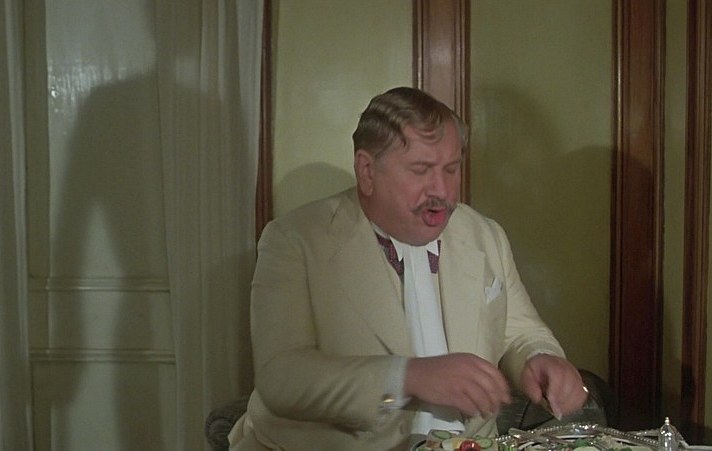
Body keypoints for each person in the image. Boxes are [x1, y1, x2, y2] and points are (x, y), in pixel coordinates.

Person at [228, 87, 587, 450]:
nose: (441, 190)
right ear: (367, 171)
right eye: (421, 170)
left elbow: (521, 332)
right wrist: (407, 377)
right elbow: (282, 378)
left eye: (451, 169)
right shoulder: (295, 240)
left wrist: (541, 358)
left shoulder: (484, 235)